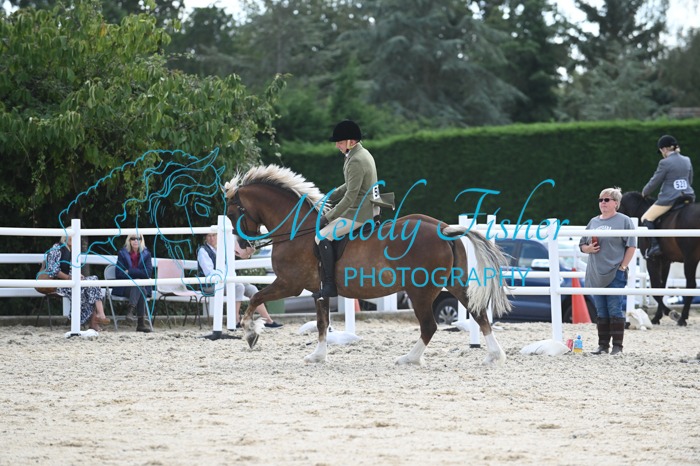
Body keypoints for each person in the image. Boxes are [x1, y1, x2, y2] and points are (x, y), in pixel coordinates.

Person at [315, 119, 380, 299]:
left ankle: (329, 285)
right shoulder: (362, 153)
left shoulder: (356, 160)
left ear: (351, 141)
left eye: (340, 142)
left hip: (361, 211)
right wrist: (329, 197)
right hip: (370, 205)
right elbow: (350, 185)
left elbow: (350, 197)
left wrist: (328, 217)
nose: (337, 145)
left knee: (322, 236)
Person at [579, 187, 637, 355]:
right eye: (600, 200)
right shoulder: (593, 221)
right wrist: (588, 249)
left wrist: (623, 267)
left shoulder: (624, 221)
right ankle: (603, 345)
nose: (602, 203)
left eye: (606, 200)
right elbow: (582, 244)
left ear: (616, 203)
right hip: (596, 272)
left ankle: (618, 346)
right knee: (601, 310)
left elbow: (631, 246)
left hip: (615, 271)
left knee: (614, 309)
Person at [197, 233, 282, 328]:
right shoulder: (203, 251)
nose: (212, 238)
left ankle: (267, 320)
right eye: (209, 236)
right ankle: (235, 320)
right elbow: (209, 273)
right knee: (238, 287)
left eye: (214, 235)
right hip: (210, 285)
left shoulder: (222, 249)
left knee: (252, 289)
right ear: (205, 237)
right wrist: (228, 278)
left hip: (226, 281)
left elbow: (230, 268)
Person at [640, 134, 695, 258]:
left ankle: (655, 246)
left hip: (670, 199)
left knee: (646, 218)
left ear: (664, 149)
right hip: (688, 195)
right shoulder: (687, 160)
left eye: (661, 151)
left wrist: (645, 192)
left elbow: (655, 180)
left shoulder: (665, 162)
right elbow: (690, 179)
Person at [44, 236, 109, 331]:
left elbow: (71, 269)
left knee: (93, 280)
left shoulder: (72, 250)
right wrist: (70, 277)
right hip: (60, 284)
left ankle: (99, 315)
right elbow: (53, 270)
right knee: (88, 288)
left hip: (72, 281)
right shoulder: (57, 248)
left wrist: (79, 275)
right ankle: (96, 319)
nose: (73, 239)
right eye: (71, 237)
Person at [113, 234, 153, 333]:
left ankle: (131, 311)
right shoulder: (122, 254)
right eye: (133, 238)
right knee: (140, 288)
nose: (136, 241)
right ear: (129, 240)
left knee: (140, 288)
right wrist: (138, 274)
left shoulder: (147, 254)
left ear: (142, 240)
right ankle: (141, 324)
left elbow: (148, 273)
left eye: (138, 238)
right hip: (124, 287)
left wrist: (130, 271)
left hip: (141, 287)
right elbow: (119, 274)